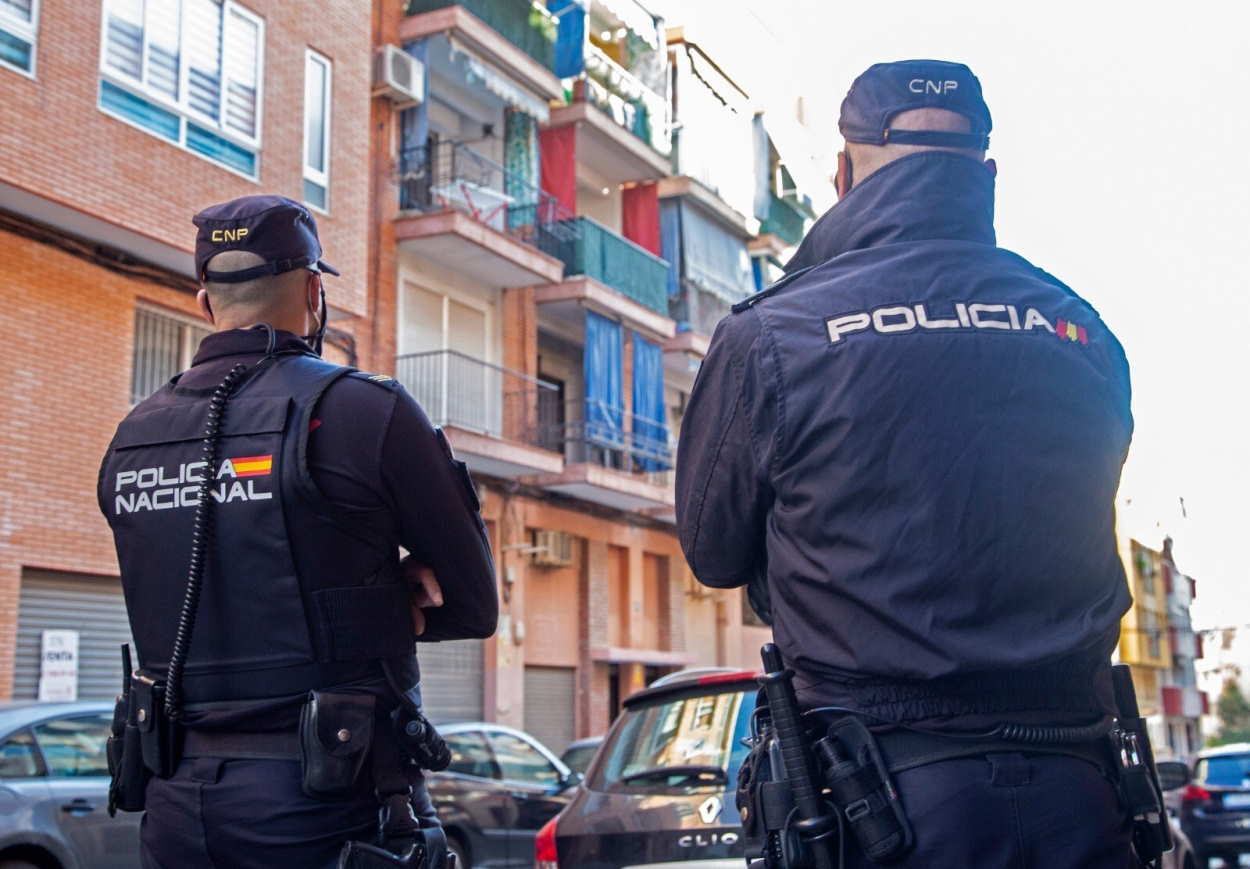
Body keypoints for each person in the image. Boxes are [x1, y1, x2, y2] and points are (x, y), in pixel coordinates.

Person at [676, 61, 1138, 867]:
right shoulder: (1082, 331)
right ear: (985, 175)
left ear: (843, 174)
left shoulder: (774, 335)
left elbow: (714, 551)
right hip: (1084, 790)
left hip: (881, 807)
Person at [98, 195, 498, 868]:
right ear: (315, 293)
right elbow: (474, 603)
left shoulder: (131, 437)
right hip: (330, 814)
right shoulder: (366, 411)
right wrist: (383, 588)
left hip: (173, 813)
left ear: (204, 302)